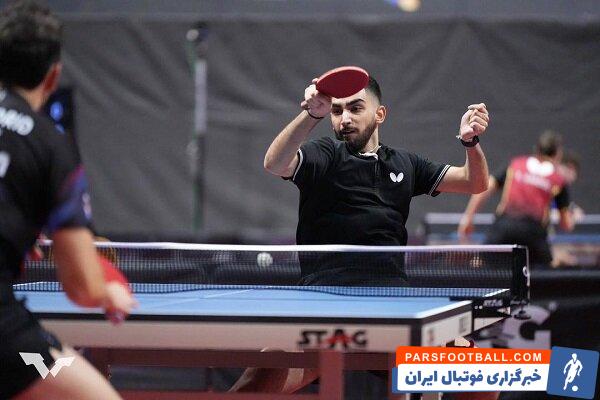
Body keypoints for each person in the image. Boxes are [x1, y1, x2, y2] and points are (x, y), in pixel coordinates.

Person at [231, 74, 494, 398]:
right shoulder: (325, 153)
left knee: (485, 374)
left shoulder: (405, 164)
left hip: (393, 307)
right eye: (337, 111)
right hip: (325, 305)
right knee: (269, 367)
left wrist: (470, 142)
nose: (345, 118)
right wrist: (311, 114)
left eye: (355, 108)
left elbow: (474, 182)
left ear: (379, 114)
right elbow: (275, 163)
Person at [0, 1, 136, 399]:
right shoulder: (50, 145)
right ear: (53, 75)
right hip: (7, 339)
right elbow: (82, 287)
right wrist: (109, 293)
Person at [458, 131, 577, 267]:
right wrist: (574, 217)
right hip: (533, 234)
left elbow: (486, 188)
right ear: (558, 154)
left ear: (537, 149)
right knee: (546, 272)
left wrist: (468, 218)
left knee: (478, 264)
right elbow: (566, 224)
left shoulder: (515, 165)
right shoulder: (558, 179)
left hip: (504, 227)